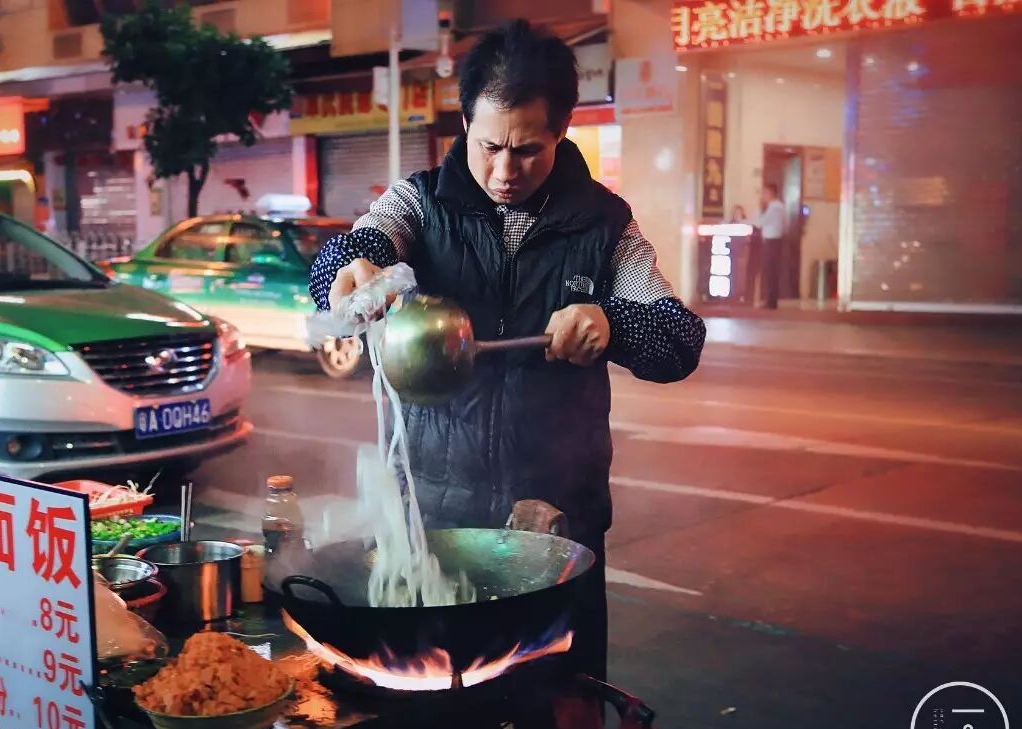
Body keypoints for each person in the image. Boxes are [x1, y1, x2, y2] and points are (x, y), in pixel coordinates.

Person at [308, 19, 705, 684]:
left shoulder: (605, 225)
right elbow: (355, 249)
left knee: (562, 709)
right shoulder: (420, 203)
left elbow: (678, 340)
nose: (502, 171)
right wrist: (351, 272)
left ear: (562, 132)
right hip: (435, 522)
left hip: (557, 527)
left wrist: (611, 323)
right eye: (488, 145)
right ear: (465, 121)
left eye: (527, 151)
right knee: (437, 714)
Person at [752, 182, 787, 309]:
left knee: (770, 272)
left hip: (771, 242)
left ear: (771, 194)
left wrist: (759, 209)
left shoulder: (773, 207)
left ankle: (770, 301)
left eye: (764, 193)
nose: (763, 196)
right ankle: (772, 300)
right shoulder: (781, 207)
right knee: (772, 272)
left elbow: (759, 223)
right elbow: (786, 224)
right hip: (777, 241)